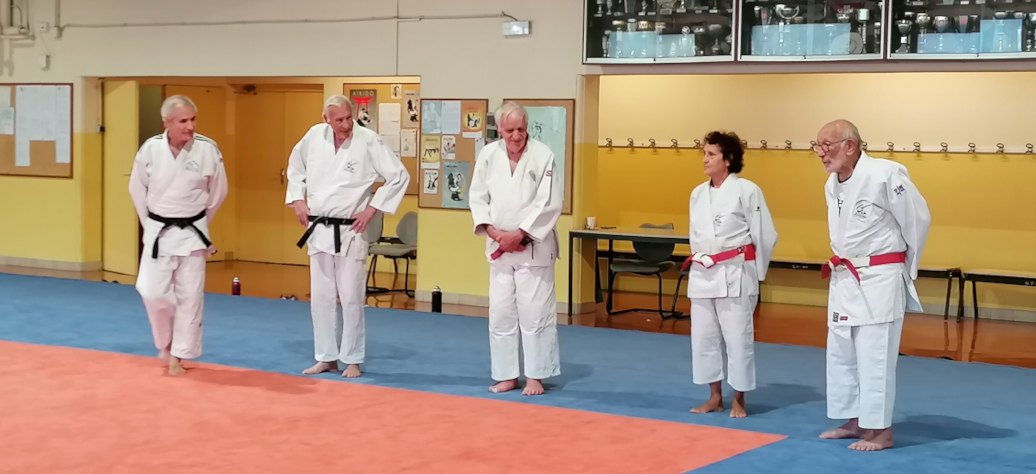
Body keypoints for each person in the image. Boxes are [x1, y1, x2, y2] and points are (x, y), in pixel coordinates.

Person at [814, 119, 931, 451]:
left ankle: (880, 431)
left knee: (874, 357)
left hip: (879, 279)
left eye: (827, 145)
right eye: (817, 146)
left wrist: (905, 269)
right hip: (845, 277)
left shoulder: (885, 174)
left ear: (850, 146)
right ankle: (853, 420)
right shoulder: (831, 184)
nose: (821, 153)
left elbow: (917, 220)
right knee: (842, 355)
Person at [286, 95, 410, 379]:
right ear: (325, 118)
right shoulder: (313, 137)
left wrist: (372, 210)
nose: (345, 124)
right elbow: (295, 169)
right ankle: (326, 357)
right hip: (318, 229)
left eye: (348, 118)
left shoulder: (368, 140)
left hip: (351, 230)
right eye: (338, 119)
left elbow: (398, 176)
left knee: (352, 297)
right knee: (321, 298)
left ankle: (352, 358)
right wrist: (297, 200)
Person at [129, 95, 228, 376]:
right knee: (151, 290)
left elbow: (219, 192)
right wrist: (149, 223)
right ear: (167, 122)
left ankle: (179, 355)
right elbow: (137, 190)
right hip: (158, 230)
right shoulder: (150, 149)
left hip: (193, 233)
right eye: (183, 121)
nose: (190, 126)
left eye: (193, 119)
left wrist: (200, 223)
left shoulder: (207, 149)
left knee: (190, 297)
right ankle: (165, 341)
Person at [469, 101, 563, 396]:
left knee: (535, 313)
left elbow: (548, 202)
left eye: (521, 129)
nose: (516, 135)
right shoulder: (488, 155)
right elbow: (477, 197)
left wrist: (520, 234)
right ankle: (506, 374)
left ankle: (535, 375)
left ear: (527, 127)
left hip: (533, 247)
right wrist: (496, 233)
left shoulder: (543, 155)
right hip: (499, 246)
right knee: (501, 314)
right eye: (510, 130)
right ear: (499, 129)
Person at [681, 131, 777, 418]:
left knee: (737, 338)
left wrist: (756, 274)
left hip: (736, 271)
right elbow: (694, 235)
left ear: (729, 159)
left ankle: (739, 398)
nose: (705, 159)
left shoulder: (748, 190)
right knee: (704, 338)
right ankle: (714, 396)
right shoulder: (698, 193)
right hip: (703, 272)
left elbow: (765, 234)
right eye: (704, 153)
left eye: (711, 154)